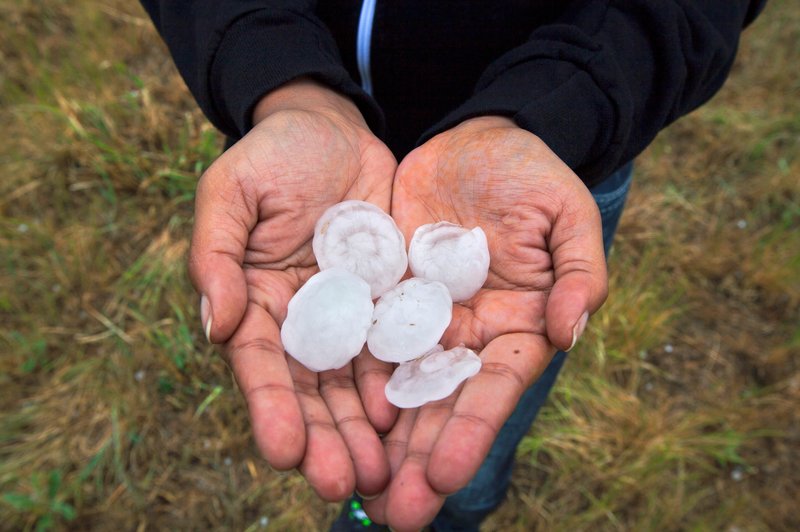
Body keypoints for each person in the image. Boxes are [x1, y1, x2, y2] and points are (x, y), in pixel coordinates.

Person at [139, 1, 767, 530]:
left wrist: (565, 103)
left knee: (464, 459)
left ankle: (454, 513)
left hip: (545, 159)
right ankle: (371, 516)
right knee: (380, 455)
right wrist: (278, 77)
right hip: (317, 169)